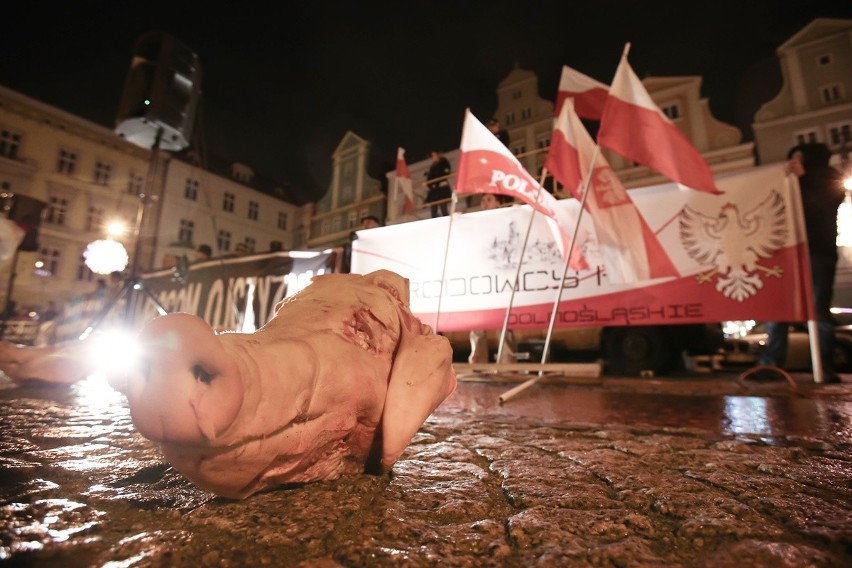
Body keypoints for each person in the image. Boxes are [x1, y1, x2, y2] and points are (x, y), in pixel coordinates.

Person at [759, 142, 844, 384]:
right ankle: (772, 364)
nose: (794, 162)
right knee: (778, 309)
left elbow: (817, 207)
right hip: (787, 254)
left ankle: (822, 366)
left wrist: (801, 180)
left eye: (799, 157)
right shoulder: (790, 182)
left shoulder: (828, 180)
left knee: (818, 311)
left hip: (817, 253)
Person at [468, 193, 517, 364]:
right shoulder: (476, 222)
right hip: (481, 277)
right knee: (477, 319)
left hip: (501, 277)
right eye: (483, 200)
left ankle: (508, 359)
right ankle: (477, 359)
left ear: (498, 202)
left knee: (504, 319)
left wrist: (519, 214)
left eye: (489, 199)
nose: (484, 203)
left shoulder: (507, 219)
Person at [424, 151, 452, 217]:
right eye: (432, 156)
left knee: (443, 206)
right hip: (434, 189)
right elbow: (430, 178)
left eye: (434, 155)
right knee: (433, 208)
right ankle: (434, 218)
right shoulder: (432, 166)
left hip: (442, 187)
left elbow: (446, 172)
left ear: (438, 155)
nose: (433, 157)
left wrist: (439, 181)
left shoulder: (443, 161)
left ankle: (445, 218)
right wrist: (431, 184)